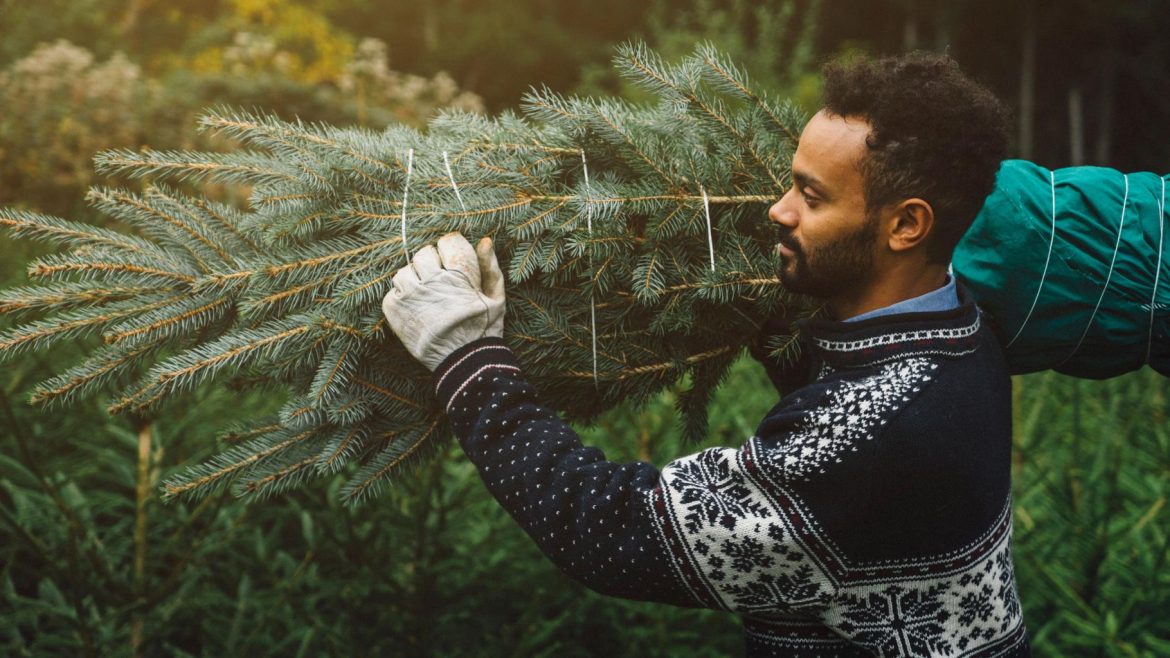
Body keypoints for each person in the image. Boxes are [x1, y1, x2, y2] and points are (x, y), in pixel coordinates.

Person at [381, 52, 1029, 657]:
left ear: (906, 225)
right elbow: (830, 362)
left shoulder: (864, 438)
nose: (779, 210)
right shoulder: (963, 332)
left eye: (812, 196)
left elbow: (608, 531)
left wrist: (465, 353)